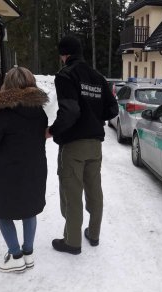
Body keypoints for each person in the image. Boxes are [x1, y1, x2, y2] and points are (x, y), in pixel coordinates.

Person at [46, 35, 118, 255]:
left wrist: (51, 131)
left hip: (73, 146)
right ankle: (93, 234)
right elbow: (112, 110)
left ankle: (72, 242)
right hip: (95, 145)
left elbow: (70, 111)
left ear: (64, 55)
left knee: (72, 194)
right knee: (94, 191)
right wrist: (95, 117)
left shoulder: (66, 75)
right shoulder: (98, 77)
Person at [0, 66, 48, 273]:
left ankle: (16, 256)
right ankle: (29, 253)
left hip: (6, 174)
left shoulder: (1, 114)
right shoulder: (39, 112)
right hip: (34, 170)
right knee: (29, 210)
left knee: (3, 213)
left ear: (7, 86)